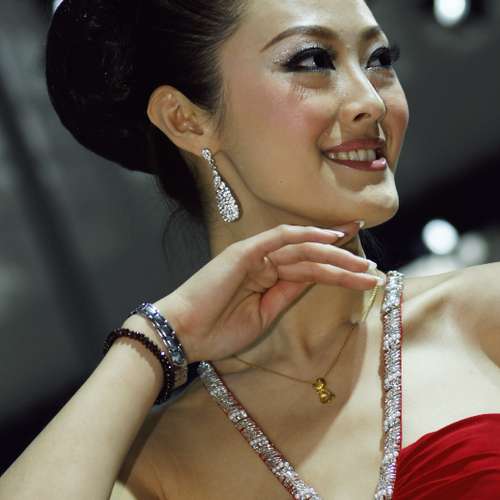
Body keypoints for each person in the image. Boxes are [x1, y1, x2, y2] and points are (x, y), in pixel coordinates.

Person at [1, 0, 499, 498]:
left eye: (379, 60)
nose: (372, 101)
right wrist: (154, 338)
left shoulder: (482, 314)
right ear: (185, 119)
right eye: (313, 61)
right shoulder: (152, 465)